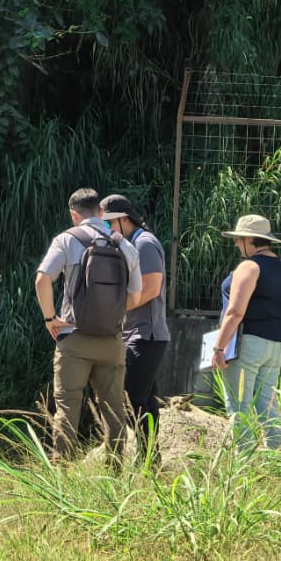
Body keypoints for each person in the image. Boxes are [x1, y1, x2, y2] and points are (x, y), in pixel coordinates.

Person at [35, 188, 143, 460]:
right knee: (114, 410)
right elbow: (136, 296)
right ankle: (117, 472)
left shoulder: (67, 240)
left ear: (74, 214)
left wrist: (50, 319)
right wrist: (111, 315)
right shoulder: (125, 245)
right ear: (101, 212)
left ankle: (62, 474)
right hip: (112, 341)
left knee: (68, 408)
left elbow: (42, 280)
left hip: (74, 338)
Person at [210, 215, 281, 449]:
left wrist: (218, 348)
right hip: (275, 344)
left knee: (239, 406)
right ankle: (274, 457)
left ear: (249, 240)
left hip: (248, 343)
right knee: (268, 405)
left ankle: (243, 462)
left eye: (239, 240)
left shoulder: (249, 266)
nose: (236, 244)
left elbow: (235, 311)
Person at [100, 193, 170, 457]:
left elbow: (151, 288)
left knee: (131, 398)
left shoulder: (144, 243)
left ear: (123, 219)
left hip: (146, 336)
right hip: (138, 334)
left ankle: (148, 457)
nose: (105, 229)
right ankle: (151, 459)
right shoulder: (132, 243)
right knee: (145, 400)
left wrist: (114, 310)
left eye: (108, 223)